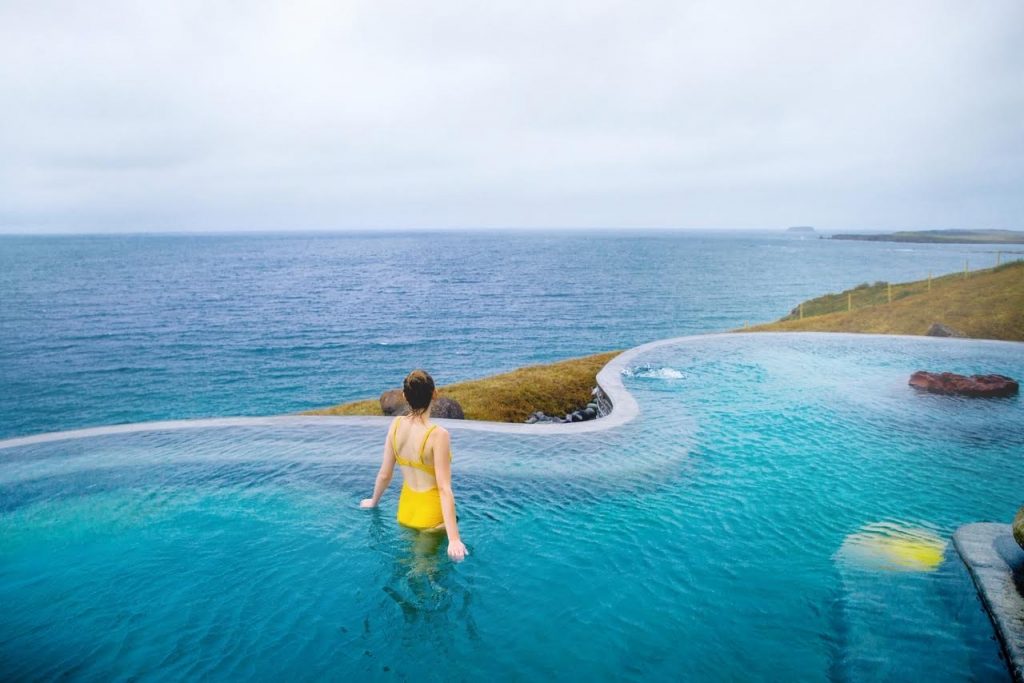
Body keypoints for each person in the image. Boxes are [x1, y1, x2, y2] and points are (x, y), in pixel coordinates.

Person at [360, 369, 468, 562]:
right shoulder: (438, 434)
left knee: (408, 564)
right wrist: (454, 539)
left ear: (404, 396)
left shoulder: (396, 425)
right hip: (431, 519)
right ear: (434, 394)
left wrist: (373, 501)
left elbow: (385, 474)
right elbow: (444, 488)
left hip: (405, 513)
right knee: (425, 573)